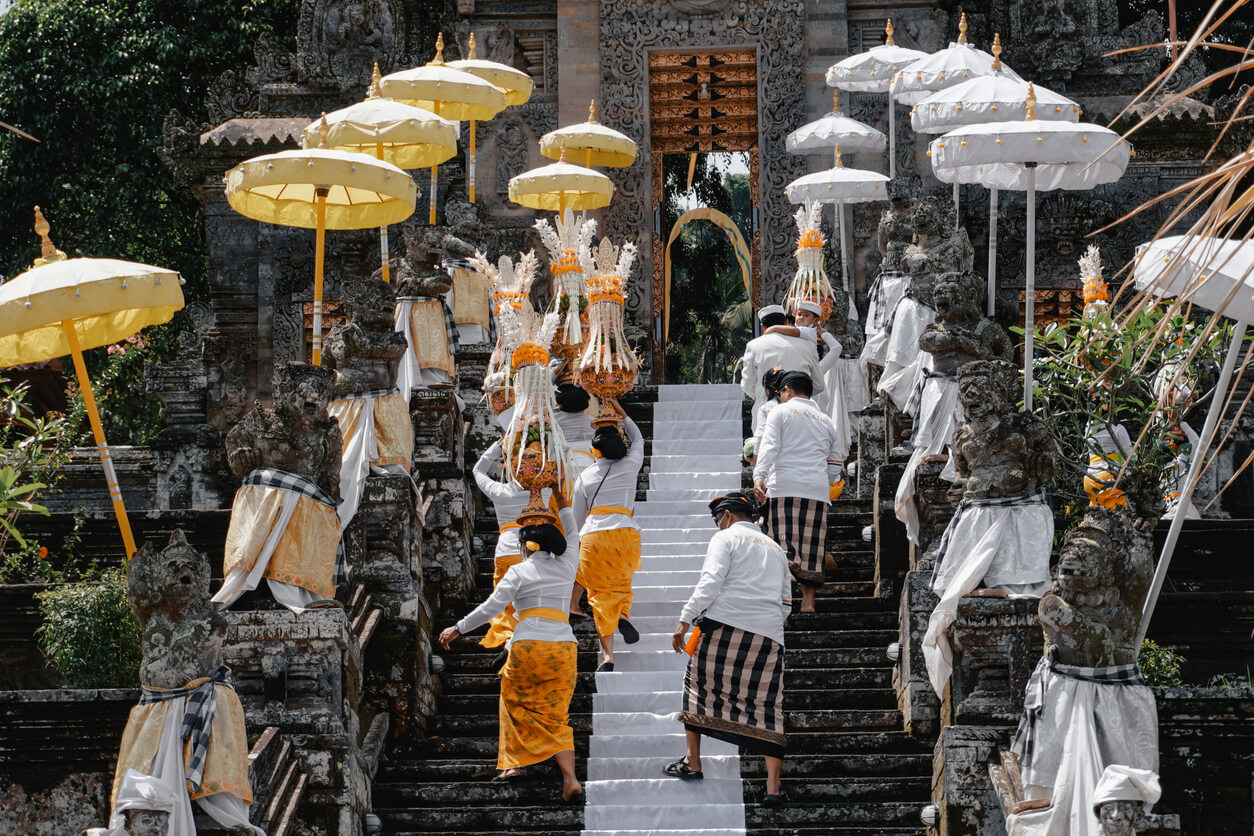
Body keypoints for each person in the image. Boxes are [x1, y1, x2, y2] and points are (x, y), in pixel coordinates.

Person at [438, 499, 584, 802]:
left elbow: (491, 607)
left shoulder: (518, 572)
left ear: (526, 547)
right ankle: (569, 778)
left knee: (514, 703)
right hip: (563, 648)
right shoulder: (568, 563)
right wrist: (560, 499)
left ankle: (515, 766)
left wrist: (458, 628)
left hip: (528, 644)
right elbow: (573, 531)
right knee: (557, 715)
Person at [668, 491, 791, 806]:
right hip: (769, 635)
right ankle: (773, 788)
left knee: (696, 687)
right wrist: (769, 623)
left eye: (717, 519)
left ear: (727, 515)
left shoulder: (725, 540)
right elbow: (787, 602)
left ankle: (693, 762)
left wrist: (685, 619)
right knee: (766, 704)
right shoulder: (776, 549)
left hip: (726, 625)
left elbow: (710, 583)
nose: (717, 525)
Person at [753, 371, 846, 613]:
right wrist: (818, 480)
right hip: (816, 491)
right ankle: (808, 603)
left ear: (789, 391)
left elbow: (769, 446)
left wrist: (759, 476)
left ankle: (787, 576)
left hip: (784, 485)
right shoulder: (826, 420)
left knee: (781, 540)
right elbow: (836, 462)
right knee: (812, 547)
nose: (781, 396)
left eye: (781, 392)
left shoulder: (780, 412)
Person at [570, 409, 645, 671]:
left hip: (594, 535)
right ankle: (623, 615)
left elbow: (578, 518)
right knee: (622, 586)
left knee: (600, 596)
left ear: (595, 451)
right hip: (626, 534)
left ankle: (608, 656)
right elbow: (639, 441)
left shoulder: (585, 477)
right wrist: (624, 417)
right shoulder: (630, 465)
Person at [472, 439, 539, 650]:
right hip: (534, 551)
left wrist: (499, 445)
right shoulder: (543, 492)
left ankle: (509, 638)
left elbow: (478, 470)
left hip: (506, 550)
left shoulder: (500, 492)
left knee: (504, 602)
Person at [741, 305, 825, 436]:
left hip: (766, 414)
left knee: (765, 452)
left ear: (762, 326)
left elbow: (747, 385)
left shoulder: (754, 346)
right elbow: (819, 385)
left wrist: (765, 395)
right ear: (786, 322)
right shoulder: (808, 346)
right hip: (800, 414)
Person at [554, 382, 596, 477]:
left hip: (559, 468)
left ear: (560, 404)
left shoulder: (551, 420)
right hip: (588, 467)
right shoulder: (593, 422)